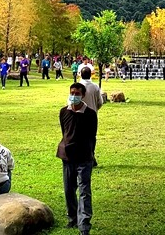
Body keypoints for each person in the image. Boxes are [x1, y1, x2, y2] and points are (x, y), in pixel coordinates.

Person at [57, 83, 97, 235]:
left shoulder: (90, 114)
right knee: (69, 190)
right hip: (67, 156)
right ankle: (72, 218)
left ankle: (84, 225)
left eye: (77, 93)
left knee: (84, 191)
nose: (74, 96)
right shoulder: (63, 112)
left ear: (83, 95)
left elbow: (92, 135)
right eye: (72, 93)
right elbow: (65, 132)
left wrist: (91, 154)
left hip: (84, 157)